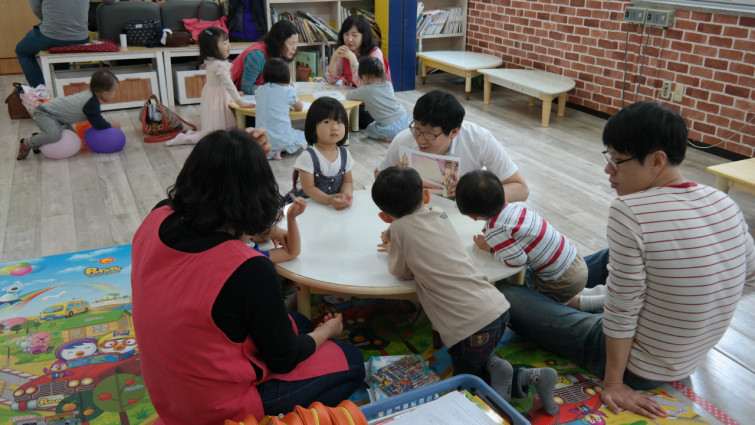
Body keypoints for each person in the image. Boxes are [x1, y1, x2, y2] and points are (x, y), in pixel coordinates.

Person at [498, 101, 755, 419]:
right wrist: (694, 309)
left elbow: (623, 310)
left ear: (656, 161)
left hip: (638, 365)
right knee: (618, 257)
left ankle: (542, 292)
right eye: (608, 158)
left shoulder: (630, 211)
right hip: (686, 358)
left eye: (618, 161)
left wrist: (615, 383)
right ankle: (555, 293)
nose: (608, 170)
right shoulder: (723, 202)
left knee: (504, 294)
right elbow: (749, 277)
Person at [131, 128, 365, 424]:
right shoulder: (247, 268)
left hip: (167, 387)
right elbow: (284, 359)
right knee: (351, 360)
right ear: (257, 193)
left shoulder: (158, 215)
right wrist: (326, 333)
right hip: (216, 410)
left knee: (301, 323)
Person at [371, 166, 559, 415]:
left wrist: (392, 246)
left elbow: (402, 271)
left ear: (385, 217)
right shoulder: (438, 214)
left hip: (469, 327)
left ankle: (500, 408)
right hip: (497, 308)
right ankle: (532, 376)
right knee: (477, 361)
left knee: (466, 384)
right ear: (425, 196)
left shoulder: (398, 230)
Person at [455, 169, 587, 303]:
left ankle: (576, 303)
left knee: (531, 303)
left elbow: (518, 261)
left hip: (560, 281)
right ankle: (583, 298)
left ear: (472, 216)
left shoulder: (495, 231)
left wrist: (490, 248)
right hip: (575, 259)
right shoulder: (517, 207)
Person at [375, 90, 529, 200]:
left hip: (467, 210)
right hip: (416, 209)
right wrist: (393, 178)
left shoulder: (479, 140)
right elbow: (379, 174)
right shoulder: (404, 139)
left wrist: (473, 192)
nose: (420, 140)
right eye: (417, 129)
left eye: (430, 134)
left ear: (454, 132)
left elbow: (521, 189)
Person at [166, 27, 253, 146]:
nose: (229, 46)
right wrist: (240, 102)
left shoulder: (211, 61)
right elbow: (228, 84)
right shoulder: (219, 65)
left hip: (213, 95)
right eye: (225, 43)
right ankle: (185, 139)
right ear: (213, 47)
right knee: (215, 133)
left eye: (228, 42)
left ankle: (191, 134)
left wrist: (236, 94)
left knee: (216, 127)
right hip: (218, 97)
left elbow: (225, 84)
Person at [17, 69, 120, 160]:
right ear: (105, 93)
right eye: (115, 92)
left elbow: (95, 119)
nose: (115, 95)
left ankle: (38, 139)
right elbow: (98, 123)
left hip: (59, 119)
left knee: (73, 139)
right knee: (54, 135)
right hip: (44, 113)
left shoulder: (90, 97)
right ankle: (27, 143)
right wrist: (111, 125)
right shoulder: (91, 103)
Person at [16, 0, 114, 87]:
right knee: (61, 45)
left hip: (51, 36)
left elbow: (36, 8)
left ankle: (41, 91)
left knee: (22, 51)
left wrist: (50, 22)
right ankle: (60, 87)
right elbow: (111, 1)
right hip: (81, 37)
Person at [288, 97, 354, 210]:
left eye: (339, 122)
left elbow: (347, 181)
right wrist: (329, 200)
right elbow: (309, 188)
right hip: (306, 205)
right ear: (313, 127)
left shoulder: (345, 155)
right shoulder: (308, 156)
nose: (334, 127)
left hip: (331, 206)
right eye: (327, 122)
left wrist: (346, 195)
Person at [326, 14, 390, 129]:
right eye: (346, 34)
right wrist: (334, 57)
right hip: (356, 99)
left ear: (364, 36)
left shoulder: (374, 54)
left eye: (354, 35)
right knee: (327, 109)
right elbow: (331, 79)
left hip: (374, 103)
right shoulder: (346, 50)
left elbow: (365, 86)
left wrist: (353, 60)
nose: (349, 39)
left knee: (358, 118)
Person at [345, 57, 409, 142]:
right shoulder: (388, 84)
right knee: (376, 123)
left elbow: (348, 95)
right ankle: (399, 135)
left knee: (370, 129)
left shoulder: (365, 90)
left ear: (364, 77)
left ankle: (389, 137)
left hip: (390, 128)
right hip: (404, 119)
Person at [254, 58, 306, 160]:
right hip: (282, 139)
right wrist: (291, 87)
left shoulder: (259, 90)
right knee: (303, 135)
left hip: (262, 140)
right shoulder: (288, 91)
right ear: (287, 75)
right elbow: (299, 107)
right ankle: (280, 150)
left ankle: (274, 151)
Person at [231, 20, 298, 95]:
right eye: (291, 44)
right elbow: (246, 87)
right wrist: (275, 90)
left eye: (296, 43)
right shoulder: (257, 56)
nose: (295, 48)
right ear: (278, 42)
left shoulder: (279, 53)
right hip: (229, 94)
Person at [249, 194, 307, 264]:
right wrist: (291, 218)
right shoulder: (252, 256)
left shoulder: (242, 234)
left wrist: (270, 229)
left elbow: (263, 237)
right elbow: (291, 252)